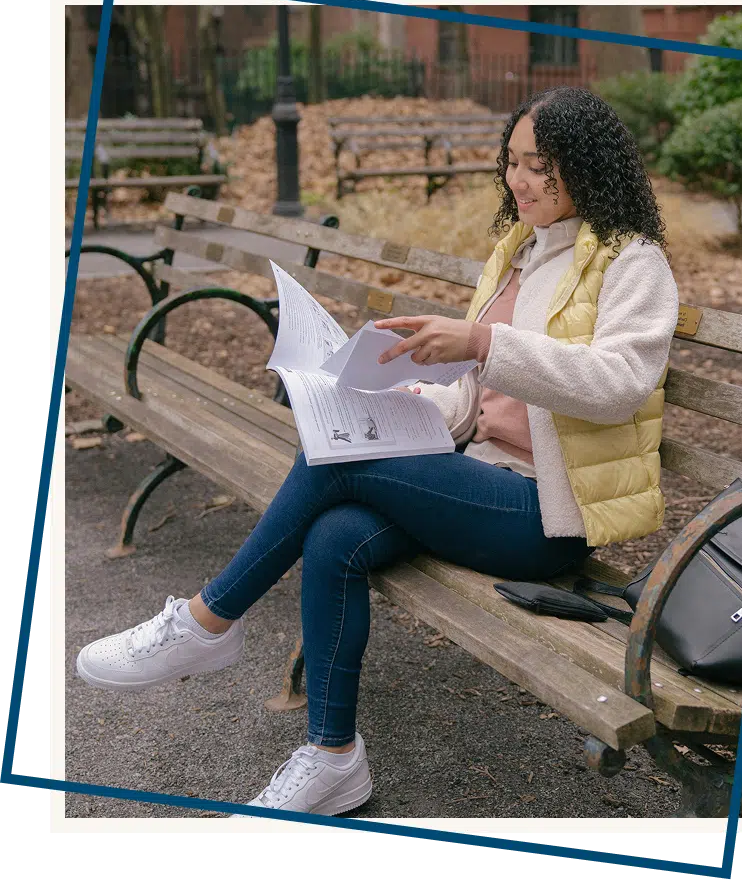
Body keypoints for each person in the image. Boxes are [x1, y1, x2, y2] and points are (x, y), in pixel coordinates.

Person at [75, 86, 679, 817]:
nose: (518, 181)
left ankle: (207, 622)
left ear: (586, 167)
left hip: (546, 511)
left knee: (338, 460)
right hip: (474, 481)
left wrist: (482, 342)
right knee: (335, 534)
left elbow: (619, 385)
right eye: (511, 163)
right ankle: (333, 760)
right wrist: (401, 396)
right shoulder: (517, 251)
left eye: (539, 166)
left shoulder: (631, 262)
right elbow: (475, 395)